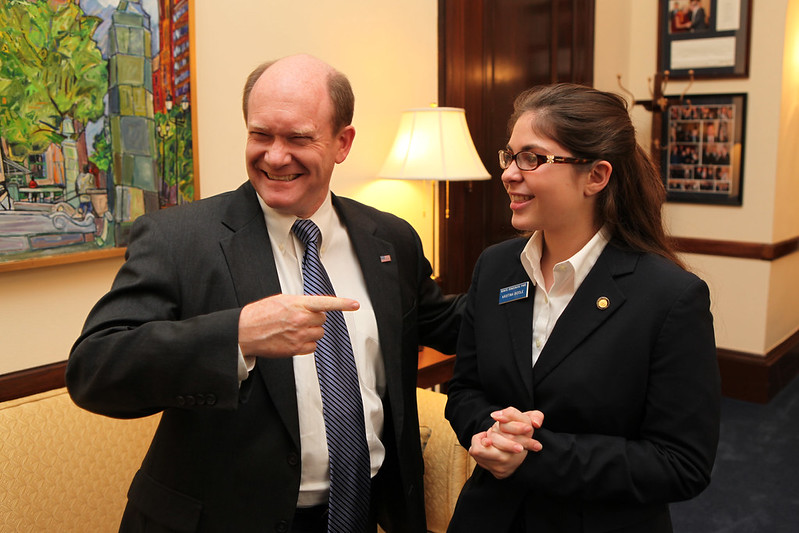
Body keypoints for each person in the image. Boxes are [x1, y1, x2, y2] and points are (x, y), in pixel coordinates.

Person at [66, 54, 463, 533]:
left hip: (360, 512)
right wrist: (237, 335)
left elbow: (451, 325)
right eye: (261, 135)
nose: (275, 156)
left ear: (343, 142)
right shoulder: (179, 239)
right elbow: (95, 370)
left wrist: (541, 258)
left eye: (298, 138)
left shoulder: (390, 238)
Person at [444, 83, 720, 533]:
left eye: (532, 158)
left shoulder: (670, 297)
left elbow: (681, 463)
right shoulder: (496, 268)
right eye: (509, 156)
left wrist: (532, 455)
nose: (510, 174)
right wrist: (490, 433)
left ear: (596, 176)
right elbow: (465, 390)